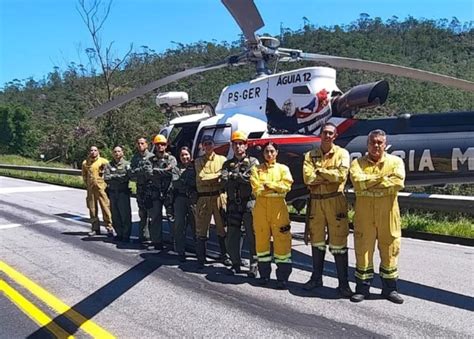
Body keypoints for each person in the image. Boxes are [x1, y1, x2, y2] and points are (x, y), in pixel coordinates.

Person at [349, 129, 406, 304]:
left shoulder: (396, 162)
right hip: (364, 216)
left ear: (385, 144)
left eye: (379, 142)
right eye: (373, 142)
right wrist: (382, 179)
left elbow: (397, 182)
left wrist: (369, 182)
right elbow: (358, 183)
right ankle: (362, 289)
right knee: (363, 250)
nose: (376, 146)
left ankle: (390, 289)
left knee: (390, 249)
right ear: (367, 144)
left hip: (388, 215)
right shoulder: (357, 163)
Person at [302, 122, 353, 297]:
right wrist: (327, 176)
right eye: (324, 132)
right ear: (320, 134)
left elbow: (341, 177)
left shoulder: (342, 154)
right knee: (317, 241)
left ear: (335, 136)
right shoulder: (310, 155)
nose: (327, 135)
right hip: (316, 202)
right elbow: (308, 179)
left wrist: (320, 172)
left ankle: (343, 284)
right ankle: (316, 278)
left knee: (338, 243)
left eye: (331, 133)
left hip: (335, 201)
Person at [250, 142, 294, 289]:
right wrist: (275, 186)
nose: (269, 154)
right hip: (261, 210)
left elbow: (286, 187)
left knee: (282, 241)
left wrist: (270, 185)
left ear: (276, 153)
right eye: (266, 152)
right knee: (261, 243)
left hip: (279, 210)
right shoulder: (256, 169)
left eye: (272, 151)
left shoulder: (283, 169)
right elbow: (256, 189)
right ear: (263, 154)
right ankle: (264, 275)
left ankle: (282, 277)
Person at [221, 131, 259, 276]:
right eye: (235, 144)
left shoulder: (253, 162)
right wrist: (238, 177)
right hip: (233, 205)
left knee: (252, 234)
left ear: (246, 145)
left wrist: (234, 176)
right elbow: (223, 180)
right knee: (232, 234)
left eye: (241, 144)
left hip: (249, 203)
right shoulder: (227, 163)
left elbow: (250, 178)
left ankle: (254, 264)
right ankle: (235, 262)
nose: (238, 146)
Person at [194, 134, 230, 269]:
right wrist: (218, 176)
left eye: (210, 143)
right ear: (202, 146)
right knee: (202, 228)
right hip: (204, 198)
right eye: (205, 144)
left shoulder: (222, 159)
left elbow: (225, 178)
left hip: (219, 197)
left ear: (213, 145)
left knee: (222, 228)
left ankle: (225, 256)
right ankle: (201, 258)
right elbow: (202, 177)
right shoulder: (198, 161)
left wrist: (215, 177)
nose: (208, 146)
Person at [148, 134, 178, 250]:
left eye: (163, 144)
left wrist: (157, 171)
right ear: (155, 146)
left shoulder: (172, 159)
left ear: (166, 145)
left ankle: (175, 241)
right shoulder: (151, 160)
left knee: (171, 217)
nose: (160, 146)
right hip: (155, 192)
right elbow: (149, 173)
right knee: (155, 217)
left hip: (168, 192)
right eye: (158, 144)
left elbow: (172, 173)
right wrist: (165, 170)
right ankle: (157, 241)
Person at [81, 145, 113, 236]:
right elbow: (84, 175)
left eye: (95, 150)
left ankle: (109, 227)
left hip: (101, 188)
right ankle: (95, 228)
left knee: (105, 207)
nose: (93, 152)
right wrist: (87, 184)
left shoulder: (104, 161)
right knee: (92, 208)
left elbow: (110, 172)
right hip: (91, 188)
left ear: (98, 151)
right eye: (91, 150)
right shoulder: (85, 163)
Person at [172, 146, 197, 262]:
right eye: (182, 155)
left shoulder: (196, 167)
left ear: (190, 156)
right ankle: (180, 251)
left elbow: (196, 181)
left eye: (186, 154)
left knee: (196, 225)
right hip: (180, 199)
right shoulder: (176, 168)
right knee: (179, 225)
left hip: (193, 199)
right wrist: (188, 182)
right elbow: (176, 183)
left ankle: (199, 251)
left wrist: (185, 182)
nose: (184, 157)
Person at [104, 145, 132, 242]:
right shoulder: (108, 165)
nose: (117, 153)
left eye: (119, 151)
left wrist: (114, 177)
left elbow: (127, 177)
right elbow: (106, 178)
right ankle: (119, 233)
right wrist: (119, 177)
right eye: (115, 152)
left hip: (123, 193)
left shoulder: (127, 164)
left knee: (125, 215)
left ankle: (126, 235)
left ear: (122, 152)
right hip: (112, 193)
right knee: (115, 215)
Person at [129, 137, 153, 245]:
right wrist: (141, 171)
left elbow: (151, 173)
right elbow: (131, 173)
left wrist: (140, 172)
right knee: (142, 212)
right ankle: (142, 236)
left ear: (147, 144)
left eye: (142, 143)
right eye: (138, 143)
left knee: (151, 213)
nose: (140, 145)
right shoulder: (135, 158)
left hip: (150, 188)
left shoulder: (152, 157)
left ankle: (152, 237)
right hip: (140, 187)